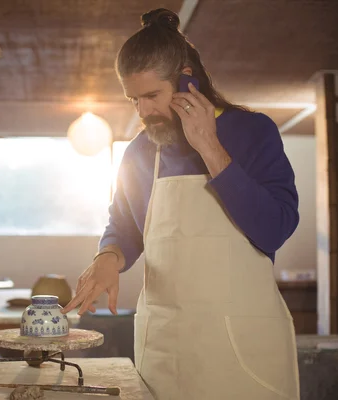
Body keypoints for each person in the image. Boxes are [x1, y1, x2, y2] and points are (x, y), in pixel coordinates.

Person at [61, 8, 300, 400]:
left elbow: (274, 228)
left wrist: (209, 146)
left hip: (241, 354)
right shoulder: (139, 152)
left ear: (187, 78)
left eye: (152, 95)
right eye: (133, 99)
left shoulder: (254, 133)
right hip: (166, 350)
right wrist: (109, 255)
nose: (143, 112)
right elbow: (124, 226)